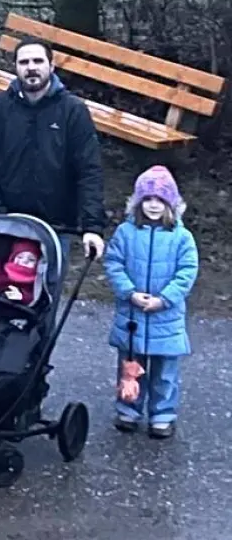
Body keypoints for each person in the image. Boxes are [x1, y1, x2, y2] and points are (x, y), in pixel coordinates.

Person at [0, 38, 106, 263]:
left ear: (51, 66)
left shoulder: (73, 111)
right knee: (0, 283)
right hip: (6, 225)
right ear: (15, 67)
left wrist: (92, 227)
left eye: (38, 61)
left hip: (56, 227)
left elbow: (89, 170)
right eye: (24, 62)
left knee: (48, 285)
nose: (31, 67)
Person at [106, 166, 198, 439]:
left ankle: (162, 415)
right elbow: (113, 263)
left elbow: (187, 271)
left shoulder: (182, 237)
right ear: (138, 202)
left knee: (165, 370)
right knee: (130, 365)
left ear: (171, 204)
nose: (153, 205)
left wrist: (165, 299)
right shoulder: (125, 232)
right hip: (132, 315)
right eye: (147, 199)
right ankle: (128, 408)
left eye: (160, 199)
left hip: (165, 317)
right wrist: (129, 293)